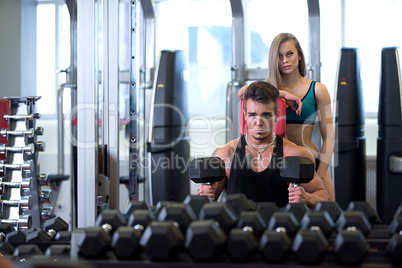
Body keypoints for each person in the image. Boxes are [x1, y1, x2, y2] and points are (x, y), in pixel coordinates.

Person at [197, 81, 329, 209]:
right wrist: (203, 196)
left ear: (276, 116)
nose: (259, 122)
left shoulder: (295, 153)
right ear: (245, 116)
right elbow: (206, 201)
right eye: (253, 115)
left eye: (266, 115)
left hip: (280, 229)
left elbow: (323, 196)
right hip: (237, 230)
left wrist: (307, 198)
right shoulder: (224, 155)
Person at [238, 33, 335, 201]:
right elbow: (242, 93)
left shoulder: (318, 90)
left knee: (328, 214)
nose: (285, 60)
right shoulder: (268, 90)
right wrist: (281, 94)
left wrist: (320, 173)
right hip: (276, 165)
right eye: (279, 56)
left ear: (299, 55)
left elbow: (330, 137)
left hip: (309, 163)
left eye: (289, 54)